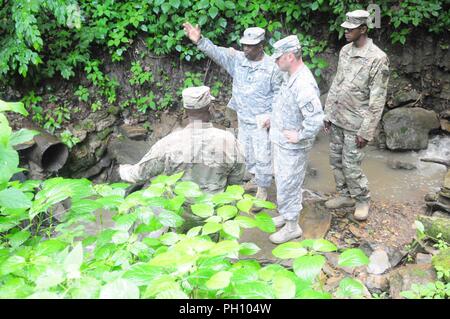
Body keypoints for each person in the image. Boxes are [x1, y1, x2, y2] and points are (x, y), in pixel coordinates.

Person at [183, 22, 283, 210]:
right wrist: (200, 40)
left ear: (260, 46)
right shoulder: (238, 60)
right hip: (244, 117)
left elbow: (280, 95)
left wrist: (273, 117)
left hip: (262, 121)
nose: (245, 49)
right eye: (244, 45)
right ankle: (254, 179)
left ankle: (262, 190)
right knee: (246, 153)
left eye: (250, 46)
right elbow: (217, 53)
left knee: (263, 155)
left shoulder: (273, 67)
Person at [323, 9, 390, 221]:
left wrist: (366, 131)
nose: (345, 32)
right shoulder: (345, 51)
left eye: (350, 29)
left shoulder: (378, 58)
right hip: (338, 117)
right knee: (335, 161)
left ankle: (362, 199)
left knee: (351, 165)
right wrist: (328, 113)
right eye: (345, 28)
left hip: (356, 124)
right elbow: (337, 82)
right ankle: (345, 195)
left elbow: (377, 99)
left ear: (363, 29)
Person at [119, 86, 245, 194]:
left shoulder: (167, 143)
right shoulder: (229, 140)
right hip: (217, 215)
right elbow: (237, 180)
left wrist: (122, 170)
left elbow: (139, 174)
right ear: (210, 109)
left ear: (185, 112)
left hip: (179, 214)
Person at [268, 35, 324, 244]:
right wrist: (271, 120)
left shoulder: (303, 83)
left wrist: (300, 135)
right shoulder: (289, 76)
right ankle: (286, 215)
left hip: (293, 146)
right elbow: (286, 105)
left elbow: (316, 118)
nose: (275, 61)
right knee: (283, 182)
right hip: (281, 141)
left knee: (288, 184)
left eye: (278, 58)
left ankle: (292, 227)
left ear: (290, 56)